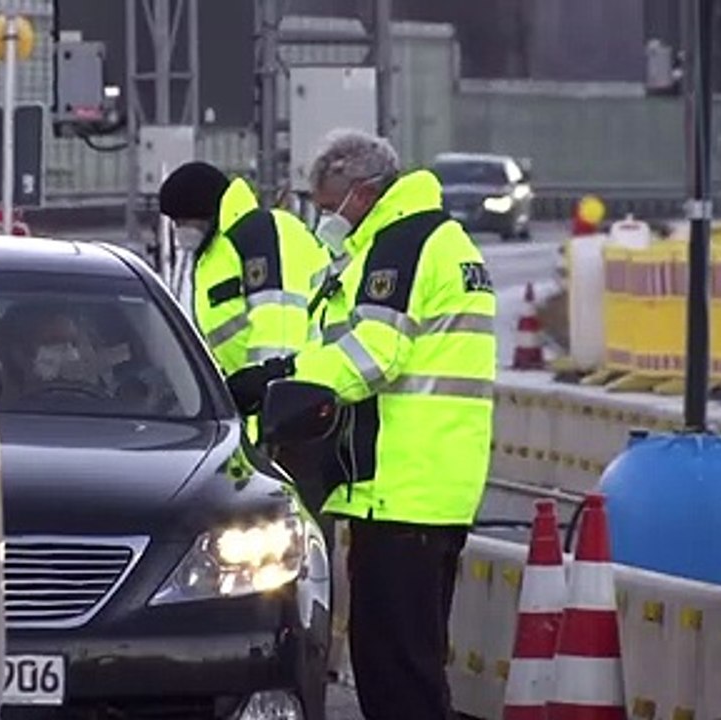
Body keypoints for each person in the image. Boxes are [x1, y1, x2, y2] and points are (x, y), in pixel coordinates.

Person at [225, 129, 497, 720]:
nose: (325, 218)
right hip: (431, 485)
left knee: (394, 671)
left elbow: (372, 354)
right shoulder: (436, 239)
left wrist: (284, 386)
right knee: (410, 662)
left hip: (403, 488)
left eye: (328, 207)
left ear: (364, 192)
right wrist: (291, 371)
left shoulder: (401, 244)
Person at [157, 162, 330, 387]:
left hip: (294, 390)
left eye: (185, 221)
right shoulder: (213, 255)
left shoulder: (260, 233)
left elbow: (278, 325)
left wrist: (267, 387)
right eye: (176, 223)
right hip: (259, 398)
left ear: (207, 212)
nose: (181, 230)